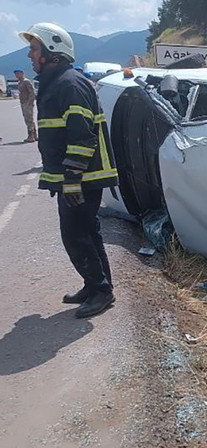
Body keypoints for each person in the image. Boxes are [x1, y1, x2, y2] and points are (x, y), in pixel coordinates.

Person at [19, 22, 118, 318]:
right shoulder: (59, 83)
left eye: (34, 48)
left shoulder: (69, 85)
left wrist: (72, 180)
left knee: (75, 234)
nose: (29, 55)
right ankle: (97, 286)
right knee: (88, 232)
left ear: (52, 52)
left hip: (82, 179)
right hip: (78, 178)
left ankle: (100, 290)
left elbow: (82, 136)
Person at [15, 69, 37, 143]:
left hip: (27, 103)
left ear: (22, 73)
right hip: (23, 102)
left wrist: (30, 102)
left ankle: (31, 136)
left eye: (18, 73)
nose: (16, 75)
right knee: (29, 119)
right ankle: (34, 135)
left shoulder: (26, 81)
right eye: (15, 74)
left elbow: (32, 92)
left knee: (28, 119)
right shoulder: (20, 82)